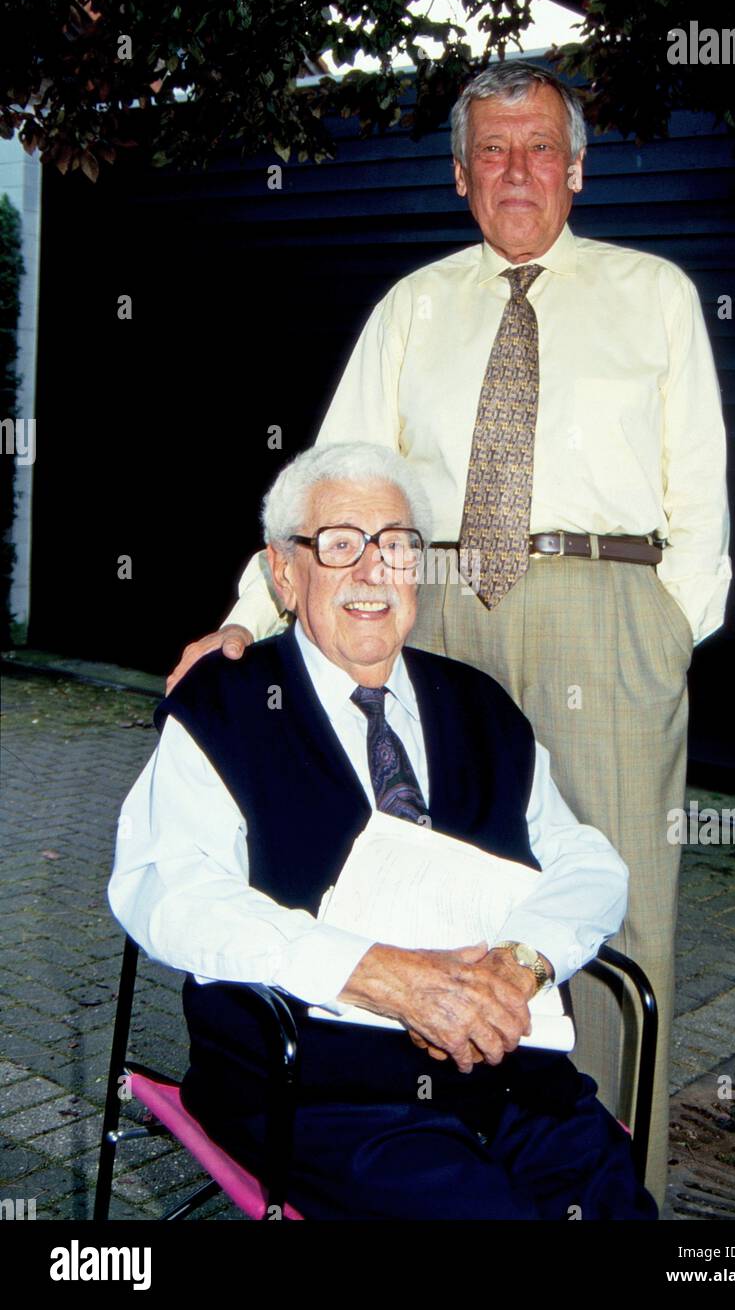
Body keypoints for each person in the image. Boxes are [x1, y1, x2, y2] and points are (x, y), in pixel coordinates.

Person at [166, 62, 731, 1207]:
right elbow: (332, 480)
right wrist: (246, 619)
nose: (513, 171)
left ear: (573, 170)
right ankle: (427, 1145)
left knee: (613, 912)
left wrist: (661, 629)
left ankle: (607, 1181)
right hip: (437, 610)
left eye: (536, 149)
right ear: (460, 175)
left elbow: (701, 506)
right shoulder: (411, 306)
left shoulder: (655, 292)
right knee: (426, 880)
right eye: (490, 151)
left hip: (602, 610)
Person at [110, 442, 656, 1220]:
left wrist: (521, 962)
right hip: (319, 1087)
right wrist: (379, 973)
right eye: (339, 545)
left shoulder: (479, 706)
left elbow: (584, 861)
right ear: (284, 573)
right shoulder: (225, 707)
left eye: (397, 546)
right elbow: (169, 893)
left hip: (506, 1070)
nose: (373, 572)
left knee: (614, 1206)